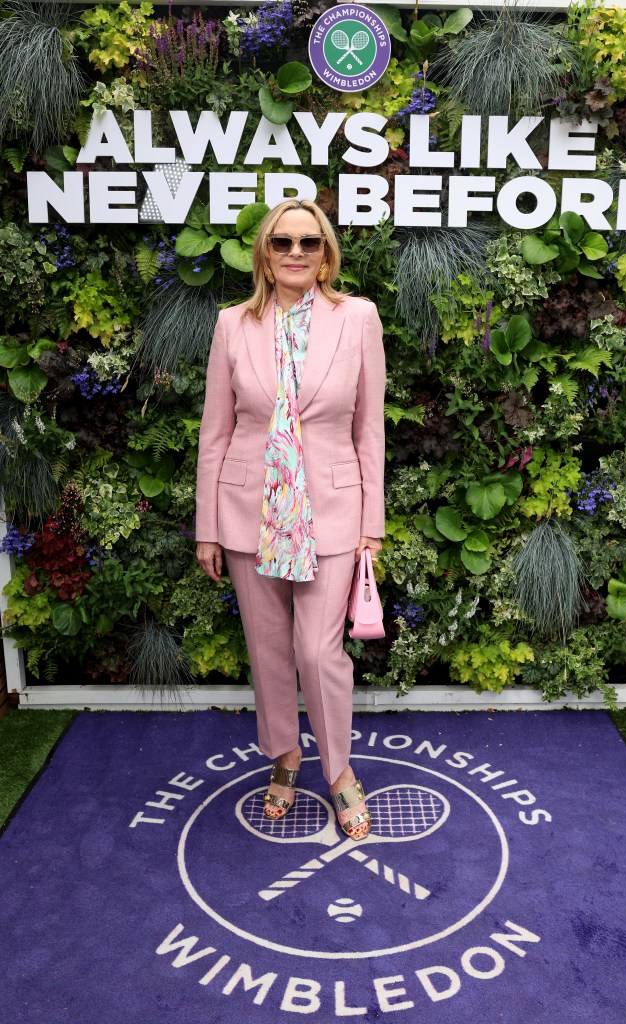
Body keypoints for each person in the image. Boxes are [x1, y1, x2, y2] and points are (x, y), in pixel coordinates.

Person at [195, 199, 385, 841]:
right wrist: (207, 525)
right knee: (269, 649)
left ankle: (340, 771)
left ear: (326, 254)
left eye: (309, 242)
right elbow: (215, 433)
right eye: (282, 242)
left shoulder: (357, 318)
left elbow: (370, 429)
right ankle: (284, 756)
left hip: (331, 510)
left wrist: (372, 523)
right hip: (248, 511)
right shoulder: (232, 324)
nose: (295, 252)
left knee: (316, 651)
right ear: (265, 254)